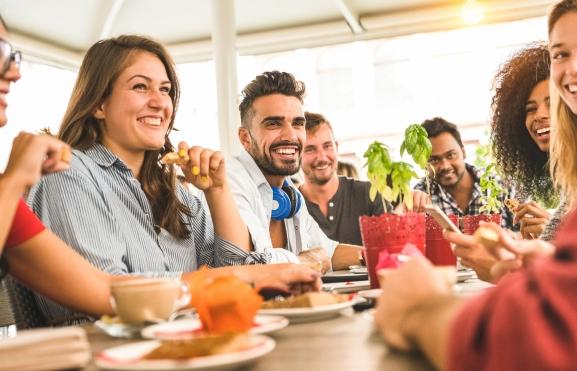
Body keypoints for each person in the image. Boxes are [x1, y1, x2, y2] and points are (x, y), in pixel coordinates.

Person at [375, 1, 577, 369]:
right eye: (560, 54)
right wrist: (532, 266)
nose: (574, 67)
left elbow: (542, 345)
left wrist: (419, 310)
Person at [25, 36, 320, 325]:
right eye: (140, 87)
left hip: (186, 344)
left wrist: (217, 190)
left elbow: (234, 269)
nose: (159, 102)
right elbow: (110, 294)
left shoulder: (174, 189)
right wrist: (244, 276)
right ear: (99, 104)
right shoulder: (68, 173)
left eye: (165, 90)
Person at [224, 71, 362, 271]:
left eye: (298, 123)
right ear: (245, 138)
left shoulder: (289, 192)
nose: (290, 135)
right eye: (273, 124)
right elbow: (251, 264)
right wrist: (306, 262)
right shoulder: (230, 179)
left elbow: (328, 253)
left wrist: (387, 255)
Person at [490, 43, 554, 240]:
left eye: (551, 104)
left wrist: (554, 233)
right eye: (530, 109)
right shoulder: (558, 178)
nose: (539, 115)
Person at [298, 111, 389, 245]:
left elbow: (392, 247)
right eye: (310, 149)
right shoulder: (292, 206)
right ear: (297, 154)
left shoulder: (370, 194)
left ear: (337, 148)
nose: (322, 157)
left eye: (327, 146)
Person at [413, 117, 516, 231]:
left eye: (451, 155)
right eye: (434, 160)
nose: (445, 166)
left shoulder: (501, 186)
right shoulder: (421, 192)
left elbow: (530, 234)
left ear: (463, 152)